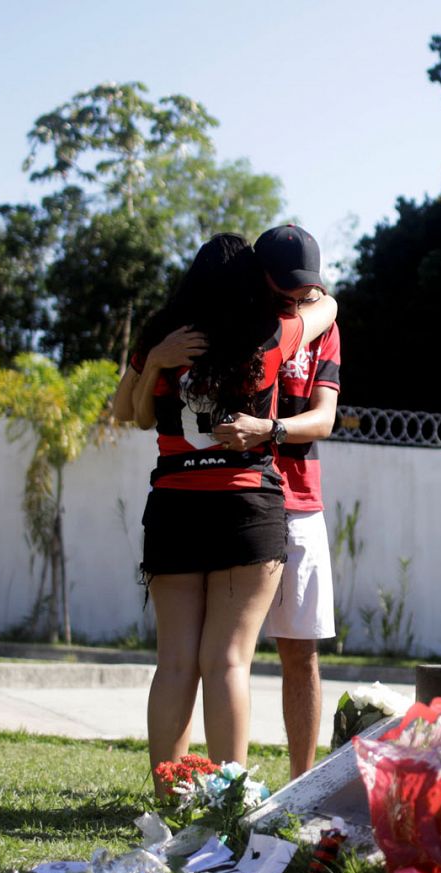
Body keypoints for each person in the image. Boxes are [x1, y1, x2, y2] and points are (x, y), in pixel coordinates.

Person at [130, 232, 337, 789]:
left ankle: (171, 798)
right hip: (246, 504)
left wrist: (154, 362)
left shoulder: (161, 337)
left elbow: (132, 413)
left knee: (175, 662)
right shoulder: (268, 333)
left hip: (174, 504)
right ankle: (228, 803)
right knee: (226, 661)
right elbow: (328, 308)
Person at [214, 224, 340, 779]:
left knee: (301, 651)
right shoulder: (239, 319)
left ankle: (300, 784)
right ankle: (214, 783)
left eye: (304, 289)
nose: (294, 298)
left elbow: (325, 418)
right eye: (284, 288)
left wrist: (268, 429)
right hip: (237, 494)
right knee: (220, 653)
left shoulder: (323, 324)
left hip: (301, 501)